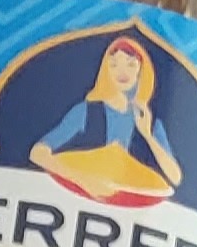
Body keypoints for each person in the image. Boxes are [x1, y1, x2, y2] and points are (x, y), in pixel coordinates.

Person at [28, 36, 185, 201]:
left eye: (131, 64)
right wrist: (83, 180)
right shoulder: (86, 111)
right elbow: (38, 153)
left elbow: (175, 177)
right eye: (114, 64)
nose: (122, 71)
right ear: (105, 70)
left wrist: (147, 136)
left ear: (142, 72)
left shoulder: (150, 122)